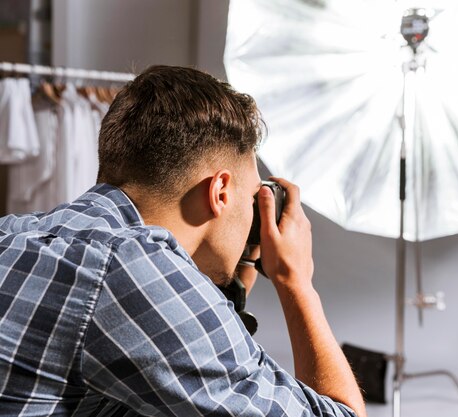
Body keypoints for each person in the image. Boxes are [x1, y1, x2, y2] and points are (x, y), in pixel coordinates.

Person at [0, 65, 366, 417]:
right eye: (251, 197)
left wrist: (232, 289)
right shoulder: (130, 269)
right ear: (220, 191)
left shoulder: (17, 231)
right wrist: (297, 282)